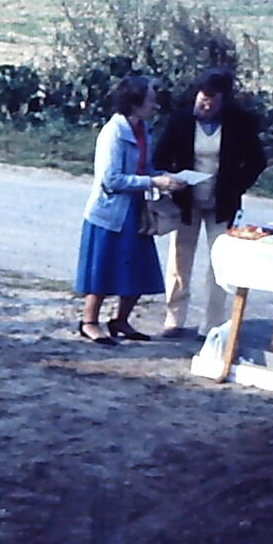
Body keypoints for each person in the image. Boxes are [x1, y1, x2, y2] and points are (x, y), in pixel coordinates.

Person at [153, 68, 267, 338]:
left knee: (219, 263)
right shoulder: (180, 120)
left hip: (222, 201)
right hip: (186, 199)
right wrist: (172, 179)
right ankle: (174, 318)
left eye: (212, 100)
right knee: (179, 260)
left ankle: (212, 324)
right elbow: (158, 159)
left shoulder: (239, 122)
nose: (205, 104)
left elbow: (256, 160)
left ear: (223, 99)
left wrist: (236, 185)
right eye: (202, 98)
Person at [74, 75, 184, 344]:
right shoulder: (113, 133)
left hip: (136, 211)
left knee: (138, 269)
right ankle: (89, 322)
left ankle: (120, 320)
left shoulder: (143, 129)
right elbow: (111, 179)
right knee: (104, 269)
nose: (154, 105)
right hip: (110, 213)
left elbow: (142, 169)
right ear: (135, 103)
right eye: (150, 100)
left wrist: (166, 178)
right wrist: (152, 181)